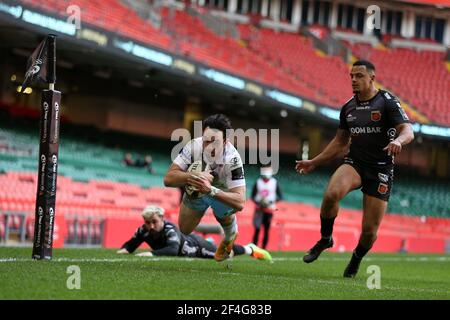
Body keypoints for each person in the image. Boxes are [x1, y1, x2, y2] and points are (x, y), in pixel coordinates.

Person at [295, 60, 414, 278]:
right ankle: (325, 238)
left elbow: (408, 130)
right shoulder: (348, 107)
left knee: (369, 232)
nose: (354, 80)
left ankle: (357, 257)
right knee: (331, 194)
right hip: (355, 164)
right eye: (351, 76)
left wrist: (399, 141)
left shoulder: (387, 102)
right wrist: (314, 161)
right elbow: (340, 142)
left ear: (371, 78)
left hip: (381, 170)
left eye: (359, 75)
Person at [163, 114, 246, 262]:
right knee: (185, 229)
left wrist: (211, 190)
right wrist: (194, 176)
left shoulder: (233, 159)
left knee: (223, 216)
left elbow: (240, 202)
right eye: (206, 141)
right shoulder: (194, 145)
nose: (208, 146)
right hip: (197, 190)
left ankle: (229, 235)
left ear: (226, 141)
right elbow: (168, 179)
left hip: (220, 192)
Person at [117, 205, 272, 261]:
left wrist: (150, 254)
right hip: (190, 247)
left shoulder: (170, 229)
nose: (150, 226)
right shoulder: (143, 231)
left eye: (154, 222)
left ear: (162, 219)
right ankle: (212, 242)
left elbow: (172, 249)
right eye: (147, 222)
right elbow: (131, 245)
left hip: (196, 247)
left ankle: (250, 248)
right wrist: (123, 250)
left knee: (224, 255)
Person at [251, 166, 283, 249]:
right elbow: (252, 196)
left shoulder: (274, 182)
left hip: (269, 210)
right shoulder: (258, 182)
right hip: (259, 210)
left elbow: (280, 196)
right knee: (257, 229)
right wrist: (259, 202)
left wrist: (270, 202)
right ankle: (254, 248)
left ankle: (264, 248)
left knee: (266, 230)